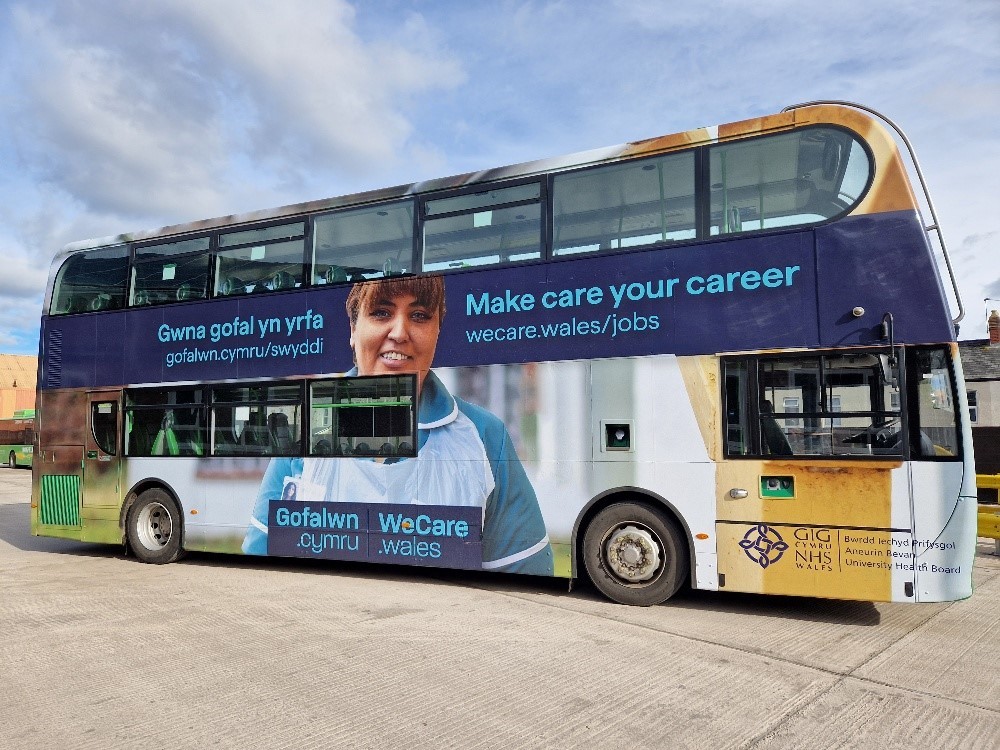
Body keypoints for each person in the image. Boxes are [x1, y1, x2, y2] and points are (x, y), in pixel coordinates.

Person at [243, 275, 553, 575]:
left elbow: (524, 584)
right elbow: (260, 571)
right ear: (353, 328)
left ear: (437, 331)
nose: (400, 332)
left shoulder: (485, 437)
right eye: (381, 312)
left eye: (419, 315)